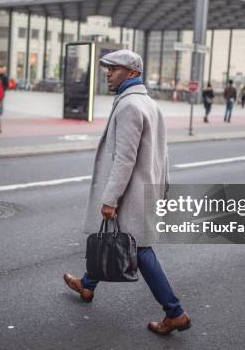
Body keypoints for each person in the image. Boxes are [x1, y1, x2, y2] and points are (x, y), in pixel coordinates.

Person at [63, 49, 190, 336]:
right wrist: (164, 188)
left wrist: (110, 199)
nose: (108, 73)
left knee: (139, 251)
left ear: (132, 73)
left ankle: (175, 312)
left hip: (131, 193)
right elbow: (164, 154)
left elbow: (125, 159)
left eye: (114, 68)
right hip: (147, 189)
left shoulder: (130, 106)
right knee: (114, 238)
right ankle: (87, 284)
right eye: (107, 68)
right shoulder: (149, 104)